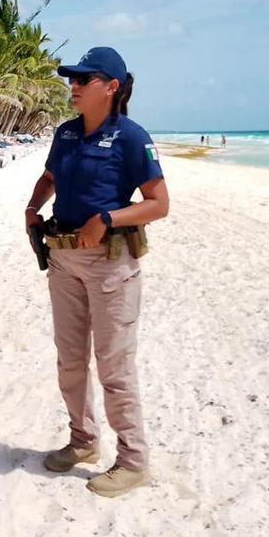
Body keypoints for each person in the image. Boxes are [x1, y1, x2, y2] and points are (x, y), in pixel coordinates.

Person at [24, 46, 170, 498]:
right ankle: (83, 440)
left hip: (110, 264)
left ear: (110, 87)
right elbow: (51, 177)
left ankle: (133, 461)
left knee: (115, 366)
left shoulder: (130, 137)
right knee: (70, 360)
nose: (73, 86)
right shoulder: (66, 133)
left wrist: (108, 218)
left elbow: (158, 204)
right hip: (63, 259)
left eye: (83, 80)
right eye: (73, 79)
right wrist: (33, 206)